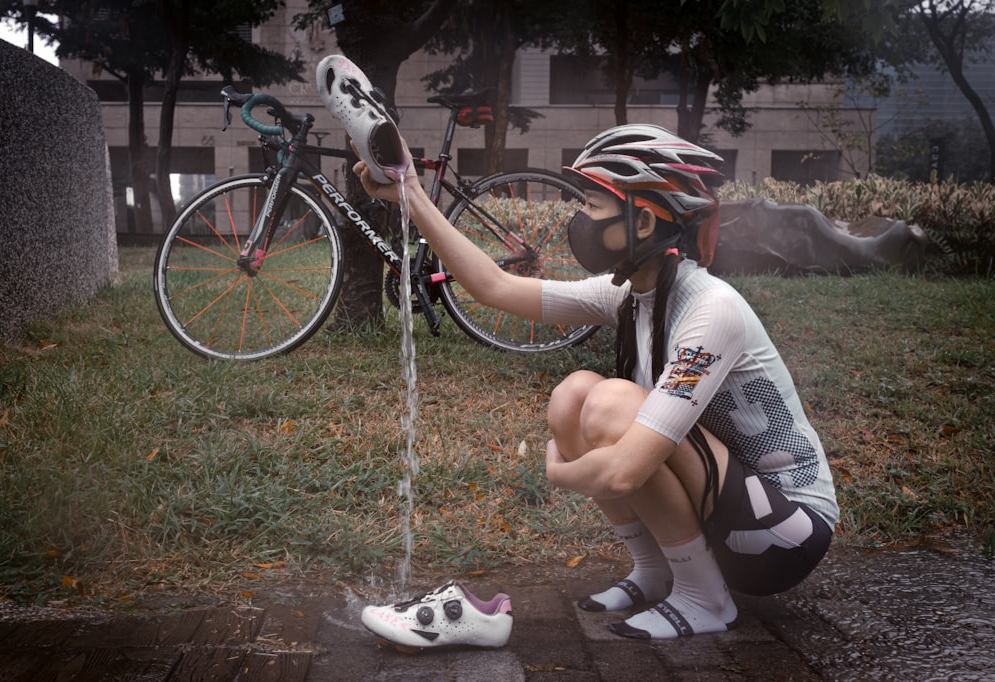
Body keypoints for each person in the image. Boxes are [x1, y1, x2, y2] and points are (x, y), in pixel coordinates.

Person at [353, 124, 838, 640]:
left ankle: (706, 598)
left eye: (591, 206)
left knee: (610, 405)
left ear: (645, 221)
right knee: (573, 397)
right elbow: (494, 286)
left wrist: (557, 472)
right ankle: (656, 572)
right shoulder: (630, 296)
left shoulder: (711, 309)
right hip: (731, 509)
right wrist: (410, 195)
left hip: (783, 534)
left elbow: (626, 472)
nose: (578, 220)